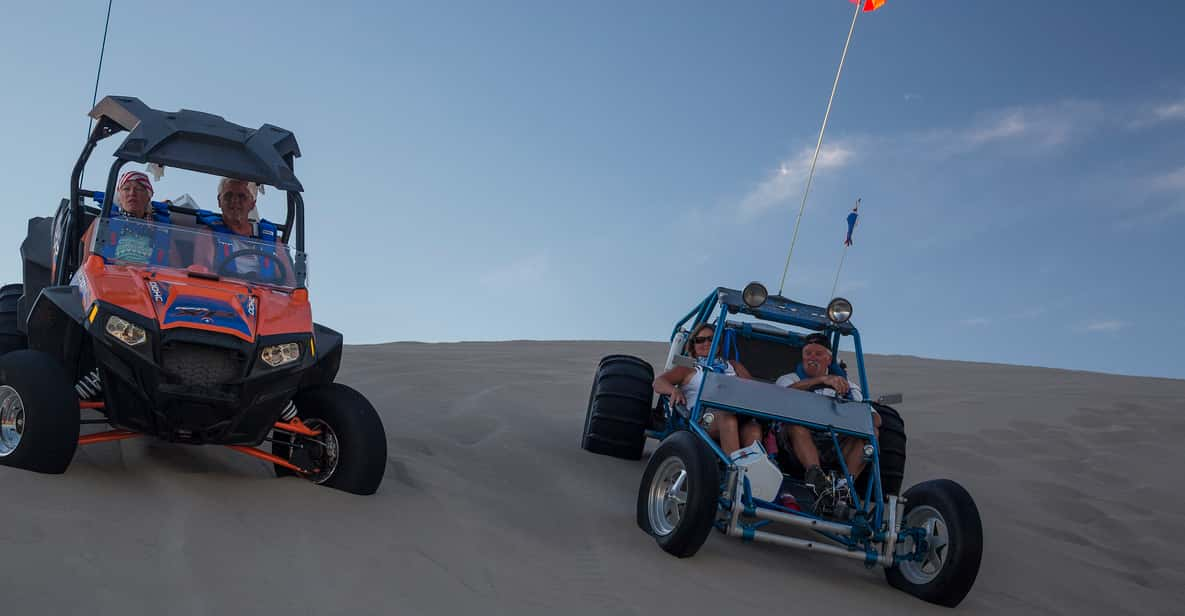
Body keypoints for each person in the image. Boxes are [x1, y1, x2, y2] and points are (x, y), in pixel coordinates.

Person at [775, 332, 881, 494]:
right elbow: (782, 397)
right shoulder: (790, 379)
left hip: (837, 440)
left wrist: (856, 417)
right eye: (808, 353)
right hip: (796, 442)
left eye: (818, 354)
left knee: (870, 432)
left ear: (829, 360)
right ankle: (817, 479)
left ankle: (845, 486)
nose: (812, 357)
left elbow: (875, 417)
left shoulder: (849, 387)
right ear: (802, 357)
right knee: (795, 424)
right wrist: (821, 381)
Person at [653, 323, 762, 456]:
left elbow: (755, 389)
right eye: (700, 340)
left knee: (753, 428)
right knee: (727, 419)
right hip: (701, 419)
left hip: (736, 413)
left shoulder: (733, 365)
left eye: (711, 339)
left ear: (718, 343)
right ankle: (734, 471)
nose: (707, 343)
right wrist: (673, 390)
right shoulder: (689, 367)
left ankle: (750, 473)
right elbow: (659, 382)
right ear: (693, 345)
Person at [194, 177, 287, 281]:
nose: (234, 200)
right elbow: (202, 274)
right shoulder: (209, 234)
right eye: (228, 196)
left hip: (264, 294)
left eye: (241, 196)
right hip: (225, 293)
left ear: (252, 204)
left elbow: (289, 281)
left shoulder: (272, 239)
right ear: (219, 201)